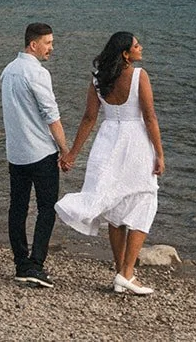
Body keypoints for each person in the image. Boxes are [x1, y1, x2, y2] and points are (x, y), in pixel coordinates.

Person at [55, 31, 165, 295]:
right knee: (144, 201)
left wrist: (72, 154)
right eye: (137, 46)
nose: (141, 48)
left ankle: (121, 273)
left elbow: (89, 118)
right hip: (135, 142)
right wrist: (160, 154)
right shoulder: (139, 76)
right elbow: (150, 118)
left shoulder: (98, 79)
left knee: (116, 209)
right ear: (126, 54)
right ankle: (126, 274)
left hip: (107, 142)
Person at [0, 21, 71, 288]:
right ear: (34, 44)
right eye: (48, 43)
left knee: (17, 208)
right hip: (40, 152)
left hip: (16, 153)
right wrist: (66, 151)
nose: (52, 48)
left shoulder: (7, 71)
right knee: (46, 208)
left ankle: (21, 263)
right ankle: (36, 264)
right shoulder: (38, 74)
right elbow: (52, 116)